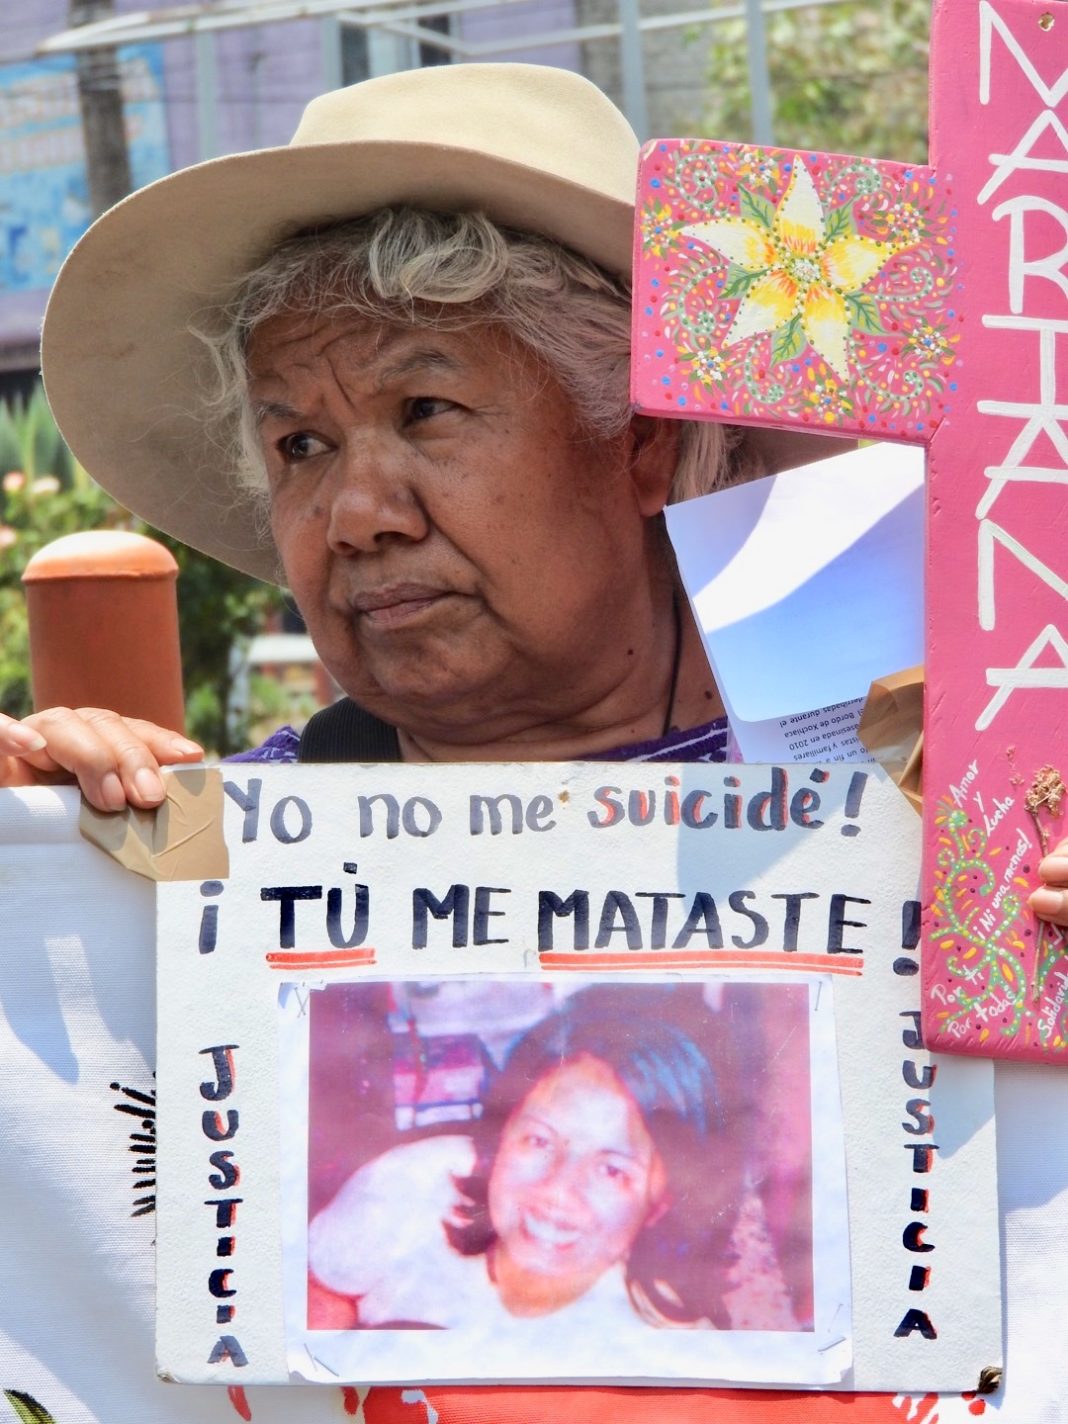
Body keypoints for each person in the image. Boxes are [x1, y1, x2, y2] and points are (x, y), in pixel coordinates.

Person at [2, 59, 1066, 920]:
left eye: (427, 410)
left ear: (643, 445)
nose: (359, 516)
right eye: (301, 446)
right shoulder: (231, 839)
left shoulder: (936, 777)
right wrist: (48, 857)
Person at [307, 985, 763, 1334]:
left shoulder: (663, 1347)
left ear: (663, 1201)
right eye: (540, 1141)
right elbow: (326, 1290)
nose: (556, 1189)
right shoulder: (411, 1182)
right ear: (503, 1128)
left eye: (612, 1170)